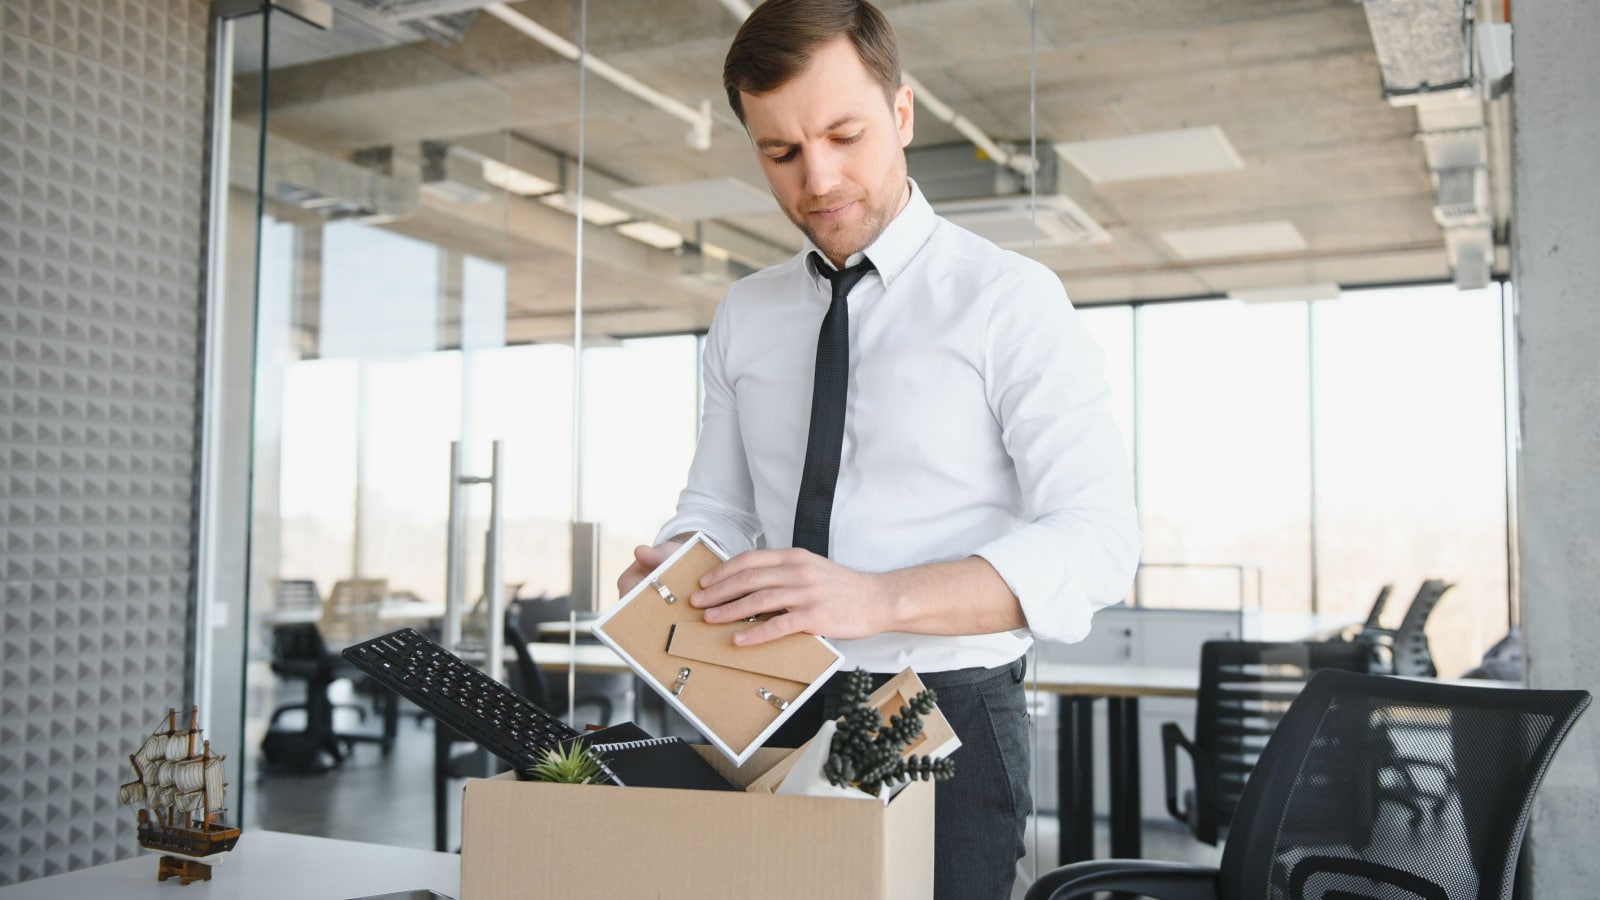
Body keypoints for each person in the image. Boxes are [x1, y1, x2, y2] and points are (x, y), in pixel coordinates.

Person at [616, 1, 1140, 897]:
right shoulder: (747, 313)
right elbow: (719, 504)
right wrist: (683, 561)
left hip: (935, 707)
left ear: (902, 115)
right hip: (768, 694)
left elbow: (1097, 539)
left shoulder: (1007, 299)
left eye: (844, 135)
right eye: (780, 152)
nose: (817, 178)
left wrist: (874, 597)